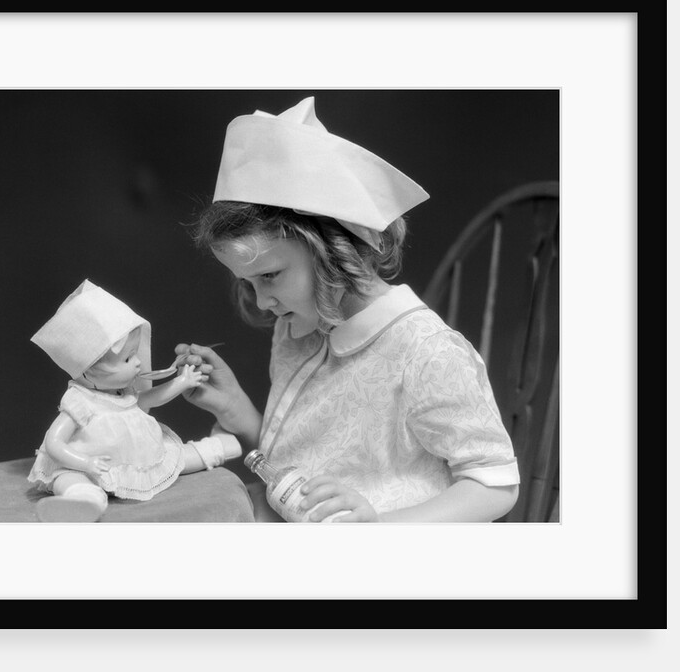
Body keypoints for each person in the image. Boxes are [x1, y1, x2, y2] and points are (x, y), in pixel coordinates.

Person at [175, 96, 520, 523]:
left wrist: (378, 528)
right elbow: (300, 460)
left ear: (332, 252)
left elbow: (494, 485)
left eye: (269, 276)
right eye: (248, 283)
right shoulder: (297, 330)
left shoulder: (425, 352)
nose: (262, 302)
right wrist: (238, 412)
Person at [27, 279, 241, 522]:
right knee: (66, 477)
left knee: (174, 458)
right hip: (92, 465)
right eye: (128, 359)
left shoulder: (123, 393)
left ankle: (215, 448)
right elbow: (54, 442)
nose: (138, 362)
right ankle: (83, 500)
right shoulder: (81, 402)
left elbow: (149, 398)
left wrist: (181, 382)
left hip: (137, 457)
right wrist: (85, 462)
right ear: (90, 370)